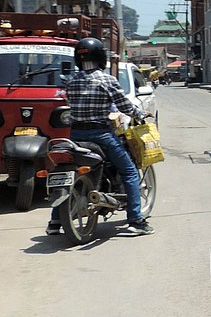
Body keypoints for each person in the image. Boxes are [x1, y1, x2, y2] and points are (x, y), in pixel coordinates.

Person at [47, 36, 151, 236]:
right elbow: (124, 106)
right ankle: (135, 221)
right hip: (101, 134)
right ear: (101, 57)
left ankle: (54, 221)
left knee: (64, 173)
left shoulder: (70, 81)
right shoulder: (107, 80)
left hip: (75, 135)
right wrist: (140, 114)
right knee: (129, 171)